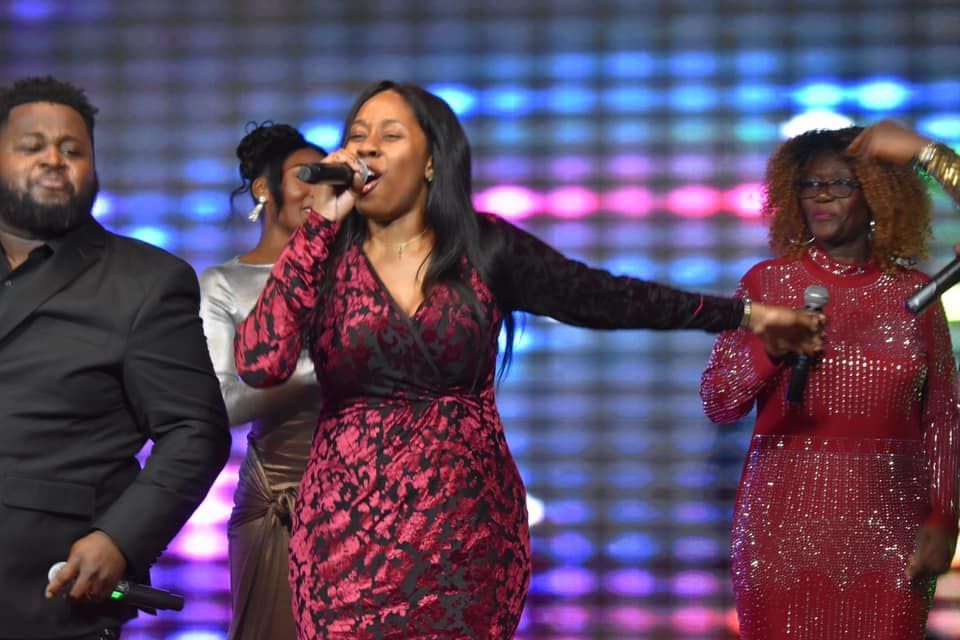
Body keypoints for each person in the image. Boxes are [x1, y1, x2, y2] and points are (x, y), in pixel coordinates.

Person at [234, 80, 824, 639]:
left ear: (432, 160)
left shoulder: (485, 248)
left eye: (389, 135)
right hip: (345, 539)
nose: (366, 148)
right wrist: (316, 230)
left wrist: (743, 315)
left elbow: (604, 297)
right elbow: (261, 363)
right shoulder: (322, 256)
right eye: (358, 134)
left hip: (466, 538)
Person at [700, 125, 960, 639]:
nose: (820, 195)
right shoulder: (767, 282)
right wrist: (770, 350)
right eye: (809, 184)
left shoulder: (917, 293)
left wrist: (944, 518)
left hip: (892, 528)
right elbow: (718, 400)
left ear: (877, 195)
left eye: (839, 183)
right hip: (782, 526)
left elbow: (942, 417)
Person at [0, 76, 231, 639]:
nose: (54, 160)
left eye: (72, 149)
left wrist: (120, 539)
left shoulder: (146, 282)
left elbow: (195, 430)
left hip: (52, 596)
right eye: (32, 146)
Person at [199, 122, 326, 640]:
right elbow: (221, 402)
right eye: (305, 177)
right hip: (279, 498)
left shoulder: (357, 276)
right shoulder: (223, 284)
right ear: (263, 189)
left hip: (369, 491)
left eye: (329, 180)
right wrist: (321, 368)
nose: (319, 192)